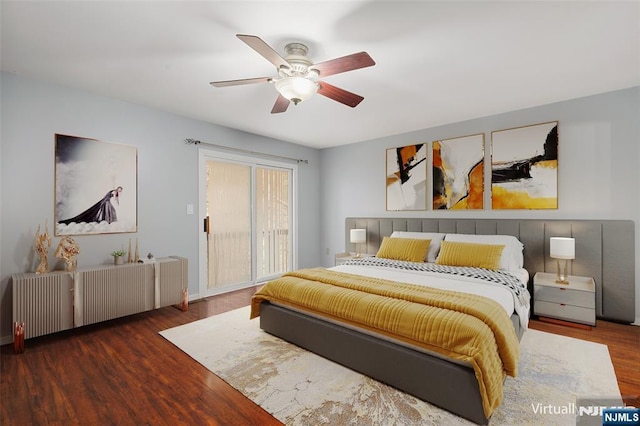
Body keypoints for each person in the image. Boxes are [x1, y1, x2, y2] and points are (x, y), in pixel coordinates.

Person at [59, 186, 123, 225]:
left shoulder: (115, 192)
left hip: (106, 201)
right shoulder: (114, 192)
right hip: (106, 201)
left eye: (120, 191)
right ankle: (110, 220)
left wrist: (118, 204)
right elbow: (115, 198)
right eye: (119, 190)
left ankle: (109, 220)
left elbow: (116, 200)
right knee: (111, 210)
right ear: (118, 189)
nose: (120, 191)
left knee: (110, 210)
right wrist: (117, 200)